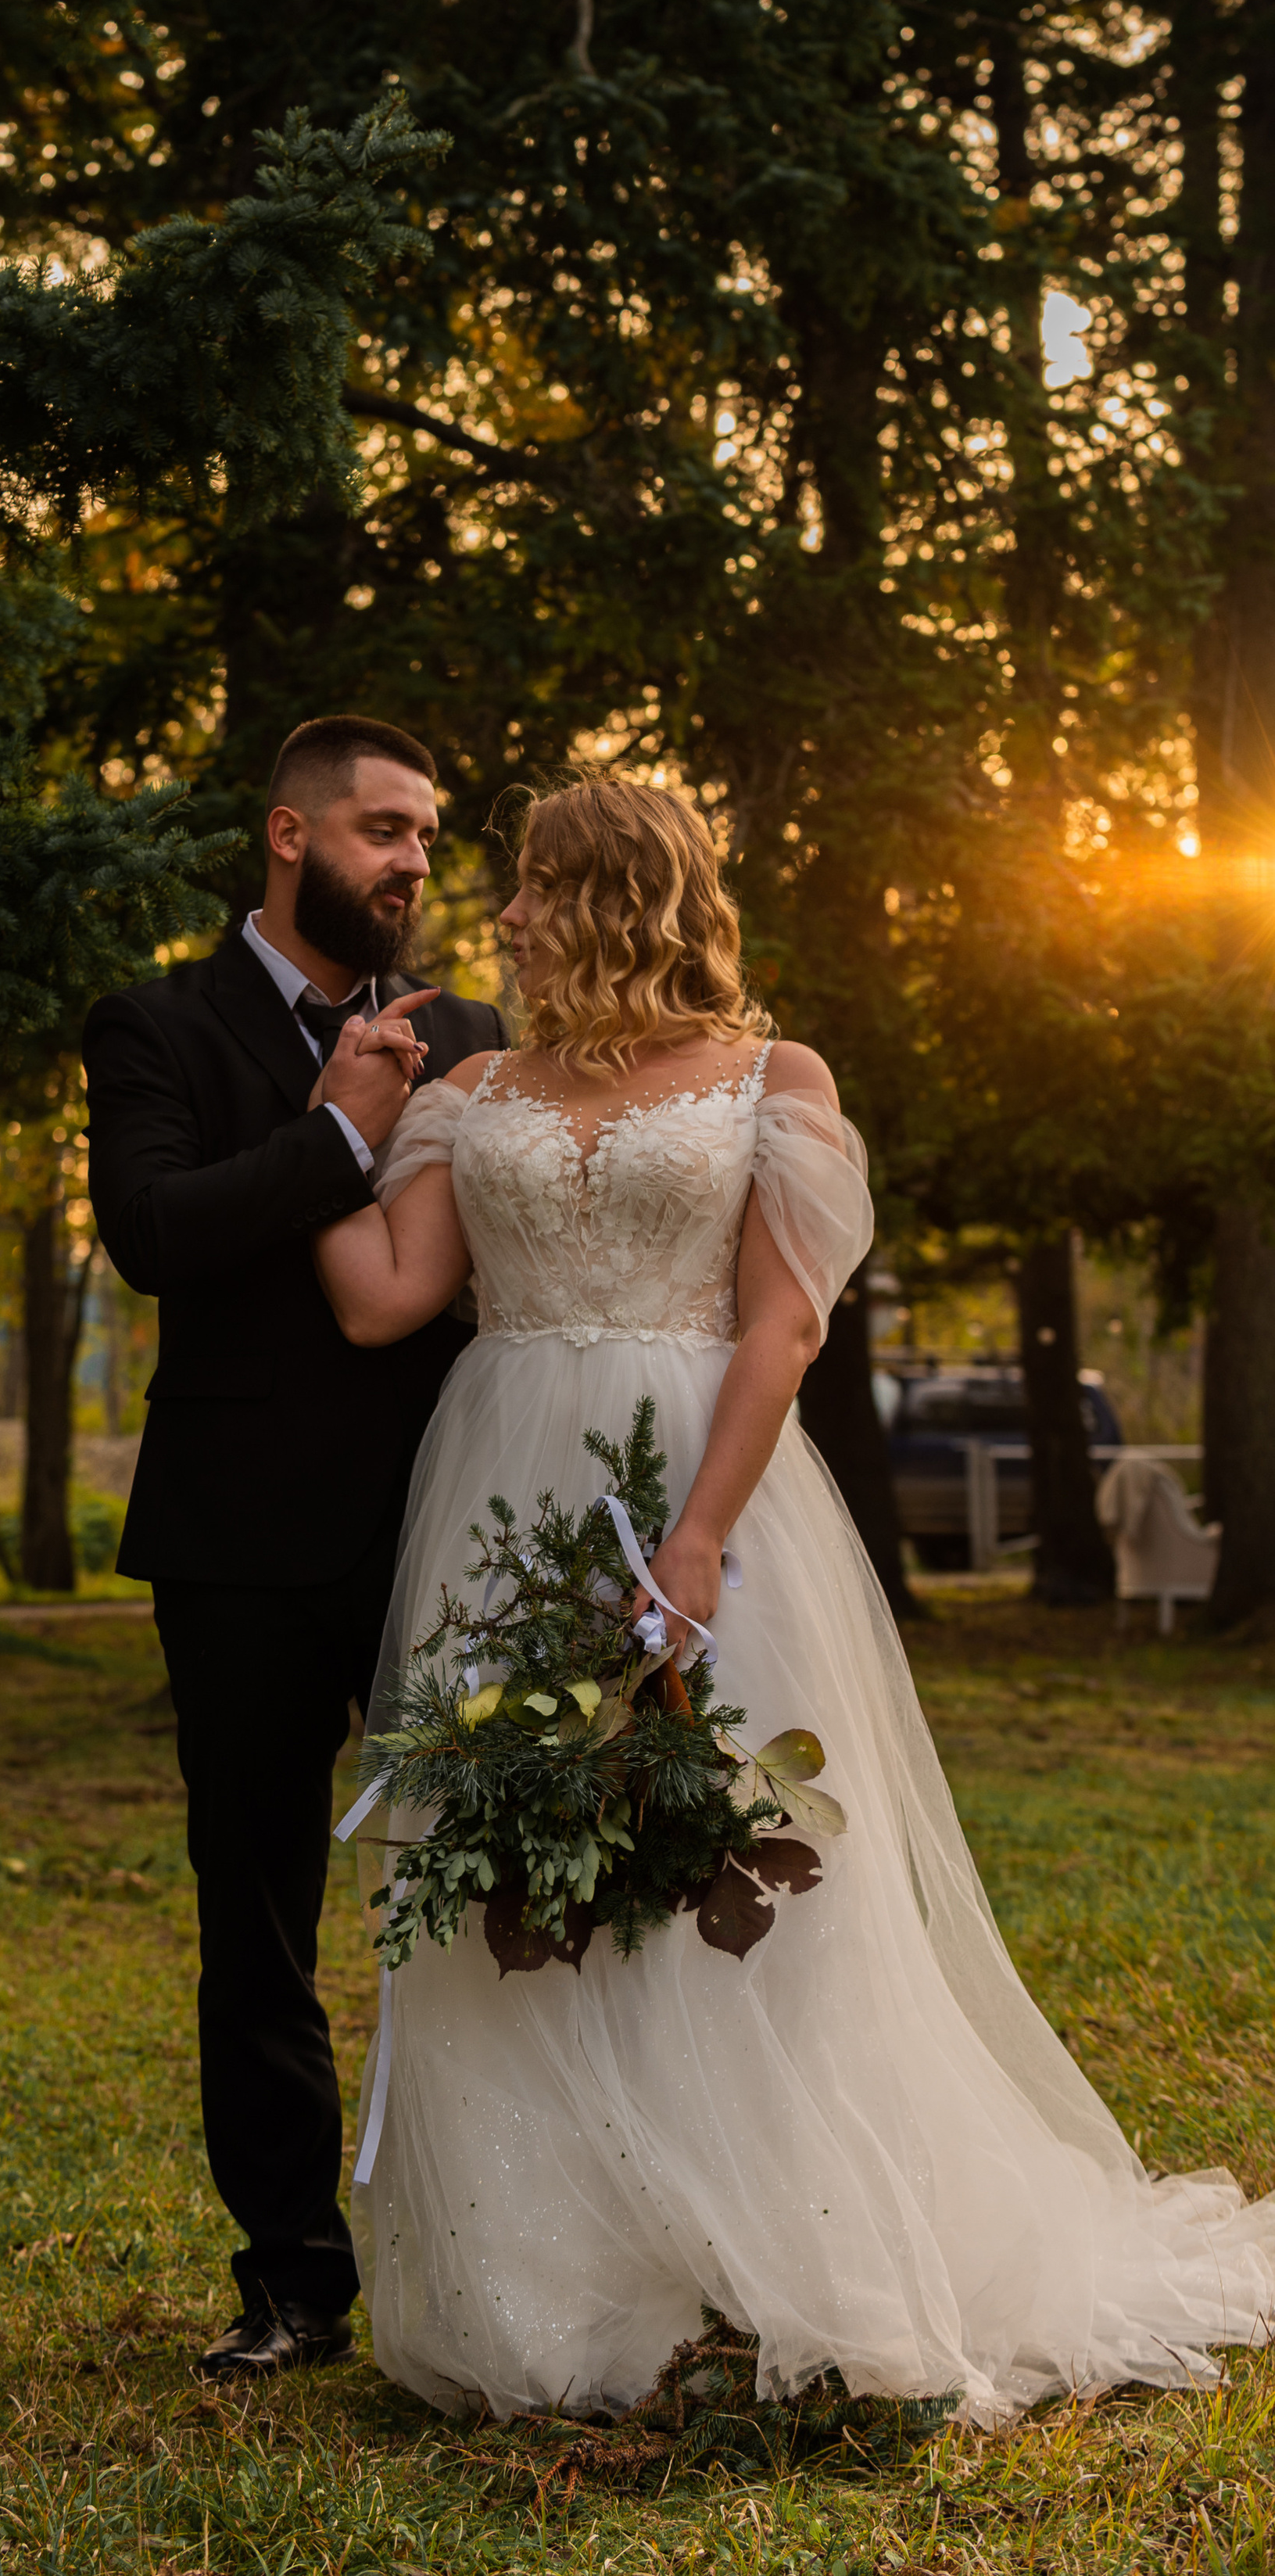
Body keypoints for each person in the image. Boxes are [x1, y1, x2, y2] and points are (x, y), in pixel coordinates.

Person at [310, 769, 1275, 2424]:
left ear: (611, 893)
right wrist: (332, 1122)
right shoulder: (467, 1087)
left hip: (712, 1489)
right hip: (496, 1492)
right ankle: (560, 2285)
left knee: (739, 1866)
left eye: (534, 886)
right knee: (512, 1866)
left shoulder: (774, 1079)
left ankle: (776, 2257)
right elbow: (382, 1300)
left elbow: (781, 1327)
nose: (509, 917)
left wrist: (689, 1543)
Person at [83, 715, 505, 2380]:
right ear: (287, 832)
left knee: (478, 1903)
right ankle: (294, 2282)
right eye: (386, 829)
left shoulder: (472, 1031)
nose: (413, 862)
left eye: (424, 837)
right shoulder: (158, 1023)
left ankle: (483, 2256)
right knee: (254, 1918)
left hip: (444, 1520)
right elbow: (152, 1234)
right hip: (238, 1542)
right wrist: (333, 1134)